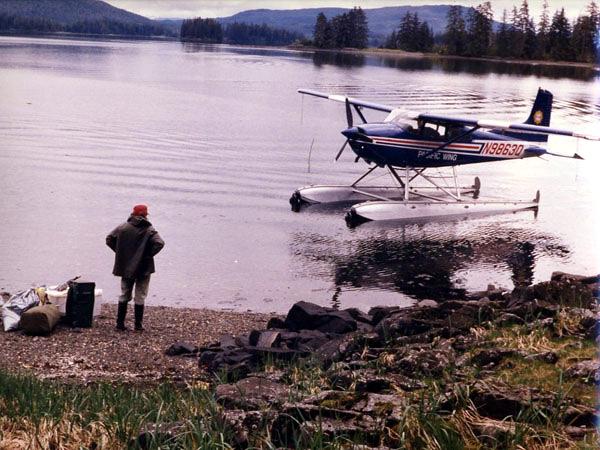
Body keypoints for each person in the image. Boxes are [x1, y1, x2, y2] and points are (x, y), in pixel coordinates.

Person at [106, 204, 165, 331]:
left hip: (126, 266)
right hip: (144, 268)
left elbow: (109, 239)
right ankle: (138, 325)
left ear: (133, 214)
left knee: (124, 294)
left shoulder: (123, 227)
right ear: (144, 215)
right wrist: (148, 255)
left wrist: (120, 252)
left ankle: (120, 324)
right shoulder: (149, 229)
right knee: (140, 295)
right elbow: (160, 243)